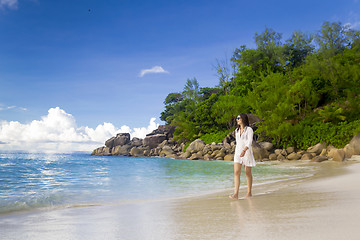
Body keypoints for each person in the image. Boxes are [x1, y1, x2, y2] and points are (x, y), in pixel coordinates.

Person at [229, 114, 256, 199]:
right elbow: (238, 142)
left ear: (243, 119)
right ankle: (236, 194)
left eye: (238, 118)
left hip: (247, 152)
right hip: (238, 153)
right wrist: (238, 152)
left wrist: (244, 150)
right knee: (236, 172)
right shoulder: (236, 130)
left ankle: (249, 192)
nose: (237, 120)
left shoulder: (249, 129)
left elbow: (249, 142)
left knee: (247, 173)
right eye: (236, 118)